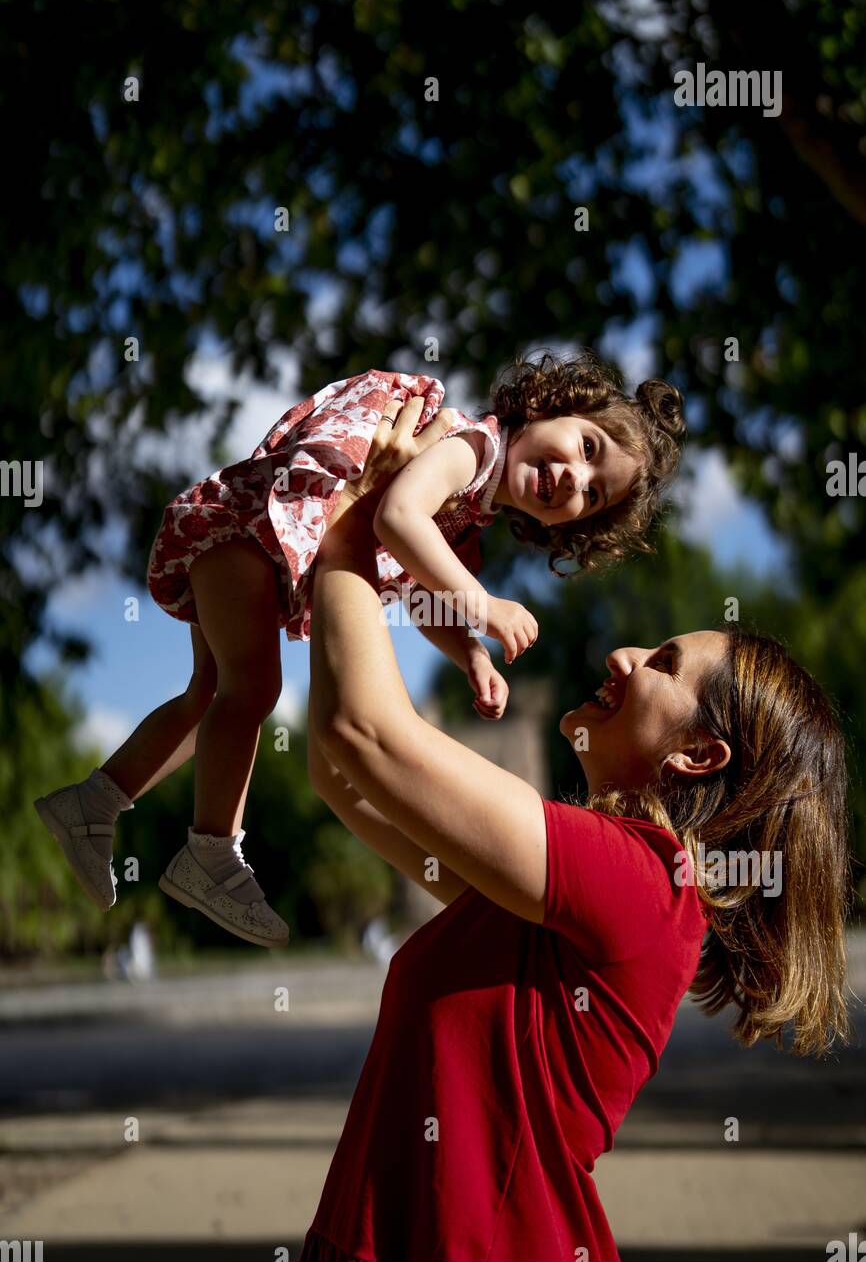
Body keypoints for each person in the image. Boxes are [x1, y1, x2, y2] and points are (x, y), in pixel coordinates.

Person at [298, 395, 853, 1262]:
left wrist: (356, 525)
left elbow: (365, 735)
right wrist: (362, 540)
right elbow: (340, 773)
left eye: (664, 664)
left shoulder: (645, 883)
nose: (624, 656)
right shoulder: (573, 894)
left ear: (701, 755)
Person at [34, 352, 684, 947]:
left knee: (209, 693)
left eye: (593, 494)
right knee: (252, 690)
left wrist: (471, 655)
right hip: (246, 533)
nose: (574, 476)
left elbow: (421, 592)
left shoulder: (471, 514)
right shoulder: (473, 448)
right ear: (547, 409)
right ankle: (211, 849)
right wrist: (486, 607)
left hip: (248, 544)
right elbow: (396, 518)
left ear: (567, 527)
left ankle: (94, 802)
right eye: (587, 446)